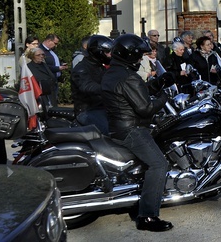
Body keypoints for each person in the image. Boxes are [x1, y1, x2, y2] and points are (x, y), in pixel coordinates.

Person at [101, 34, 173, 232]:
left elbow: (135, 93)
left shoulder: (114, 72)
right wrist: (165, 96)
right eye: (139, 55)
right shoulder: (127, 76)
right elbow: (146, 109)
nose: (141, 58)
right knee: (159, 164)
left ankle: (144, 200)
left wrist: (157, 84)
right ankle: (148, 217)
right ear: (130, 55)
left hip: (118, 126)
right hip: (132, 129)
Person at [71, 35, 113, 135]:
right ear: (98, 52)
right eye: (107, 52)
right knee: (111, 132)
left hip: (102, 107)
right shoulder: (81, 69)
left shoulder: (99, 67)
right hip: (87, 111)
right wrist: (109, 89)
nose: (110, 55)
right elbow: (87, 86)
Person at [39, 34, 67, 107]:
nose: (56, 45)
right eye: (55, 43)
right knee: (49, 103)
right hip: (47, 81)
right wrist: (58, 68)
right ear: (49, 41)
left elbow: (53, 62)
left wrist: (61, 64)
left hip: (54, 80)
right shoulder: (40, 51)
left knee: (54, 101)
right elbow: (43, 66)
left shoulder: (51, 51)